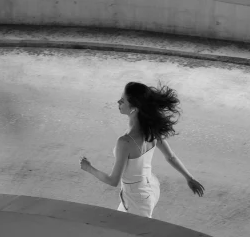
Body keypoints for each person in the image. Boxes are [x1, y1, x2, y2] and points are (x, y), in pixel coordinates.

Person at [80, 81, 204, 218]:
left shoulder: (125, 142)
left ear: (134, 109)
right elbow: (170, 157)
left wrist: (88, 168)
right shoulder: (152, 131)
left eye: (122, 101)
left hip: (137, 203)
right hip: (146, 190)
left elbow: (113, 180)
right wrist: (189, 178)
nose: (118, 102)